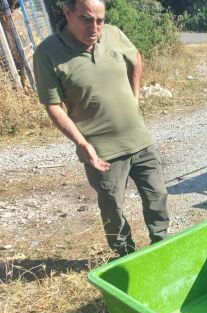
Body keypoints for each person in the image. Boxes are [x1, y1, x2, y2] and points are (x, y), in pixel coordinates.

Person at [33, 0, 169, 257]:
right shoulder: (47, 53)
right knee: (112, 207)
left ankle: (161, 246)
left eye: (100, 20)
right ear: (67, 13)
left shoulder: (114, 34)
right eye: (86, 19)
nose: (94, 27)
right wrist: (82, 144)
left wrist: (135, 97)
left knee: (157, 197)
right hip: (101, 151)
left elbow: (136, 58)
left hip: (139, 139)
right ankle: (125, 256)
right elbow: (53, 106)